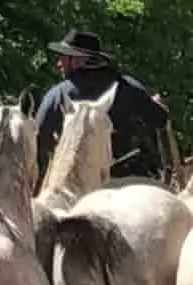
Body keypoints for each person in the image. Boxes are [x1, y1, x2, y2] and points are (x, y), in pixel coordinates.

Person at [34, 29, 169, 181]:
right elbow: (160, 118)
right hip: (127, 178)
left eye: (64, 57)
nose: (59, 64)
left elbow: (38, 139)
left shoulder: (57, 95)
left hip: (74, 182)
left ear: (81, 60)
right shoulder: (128, 87)